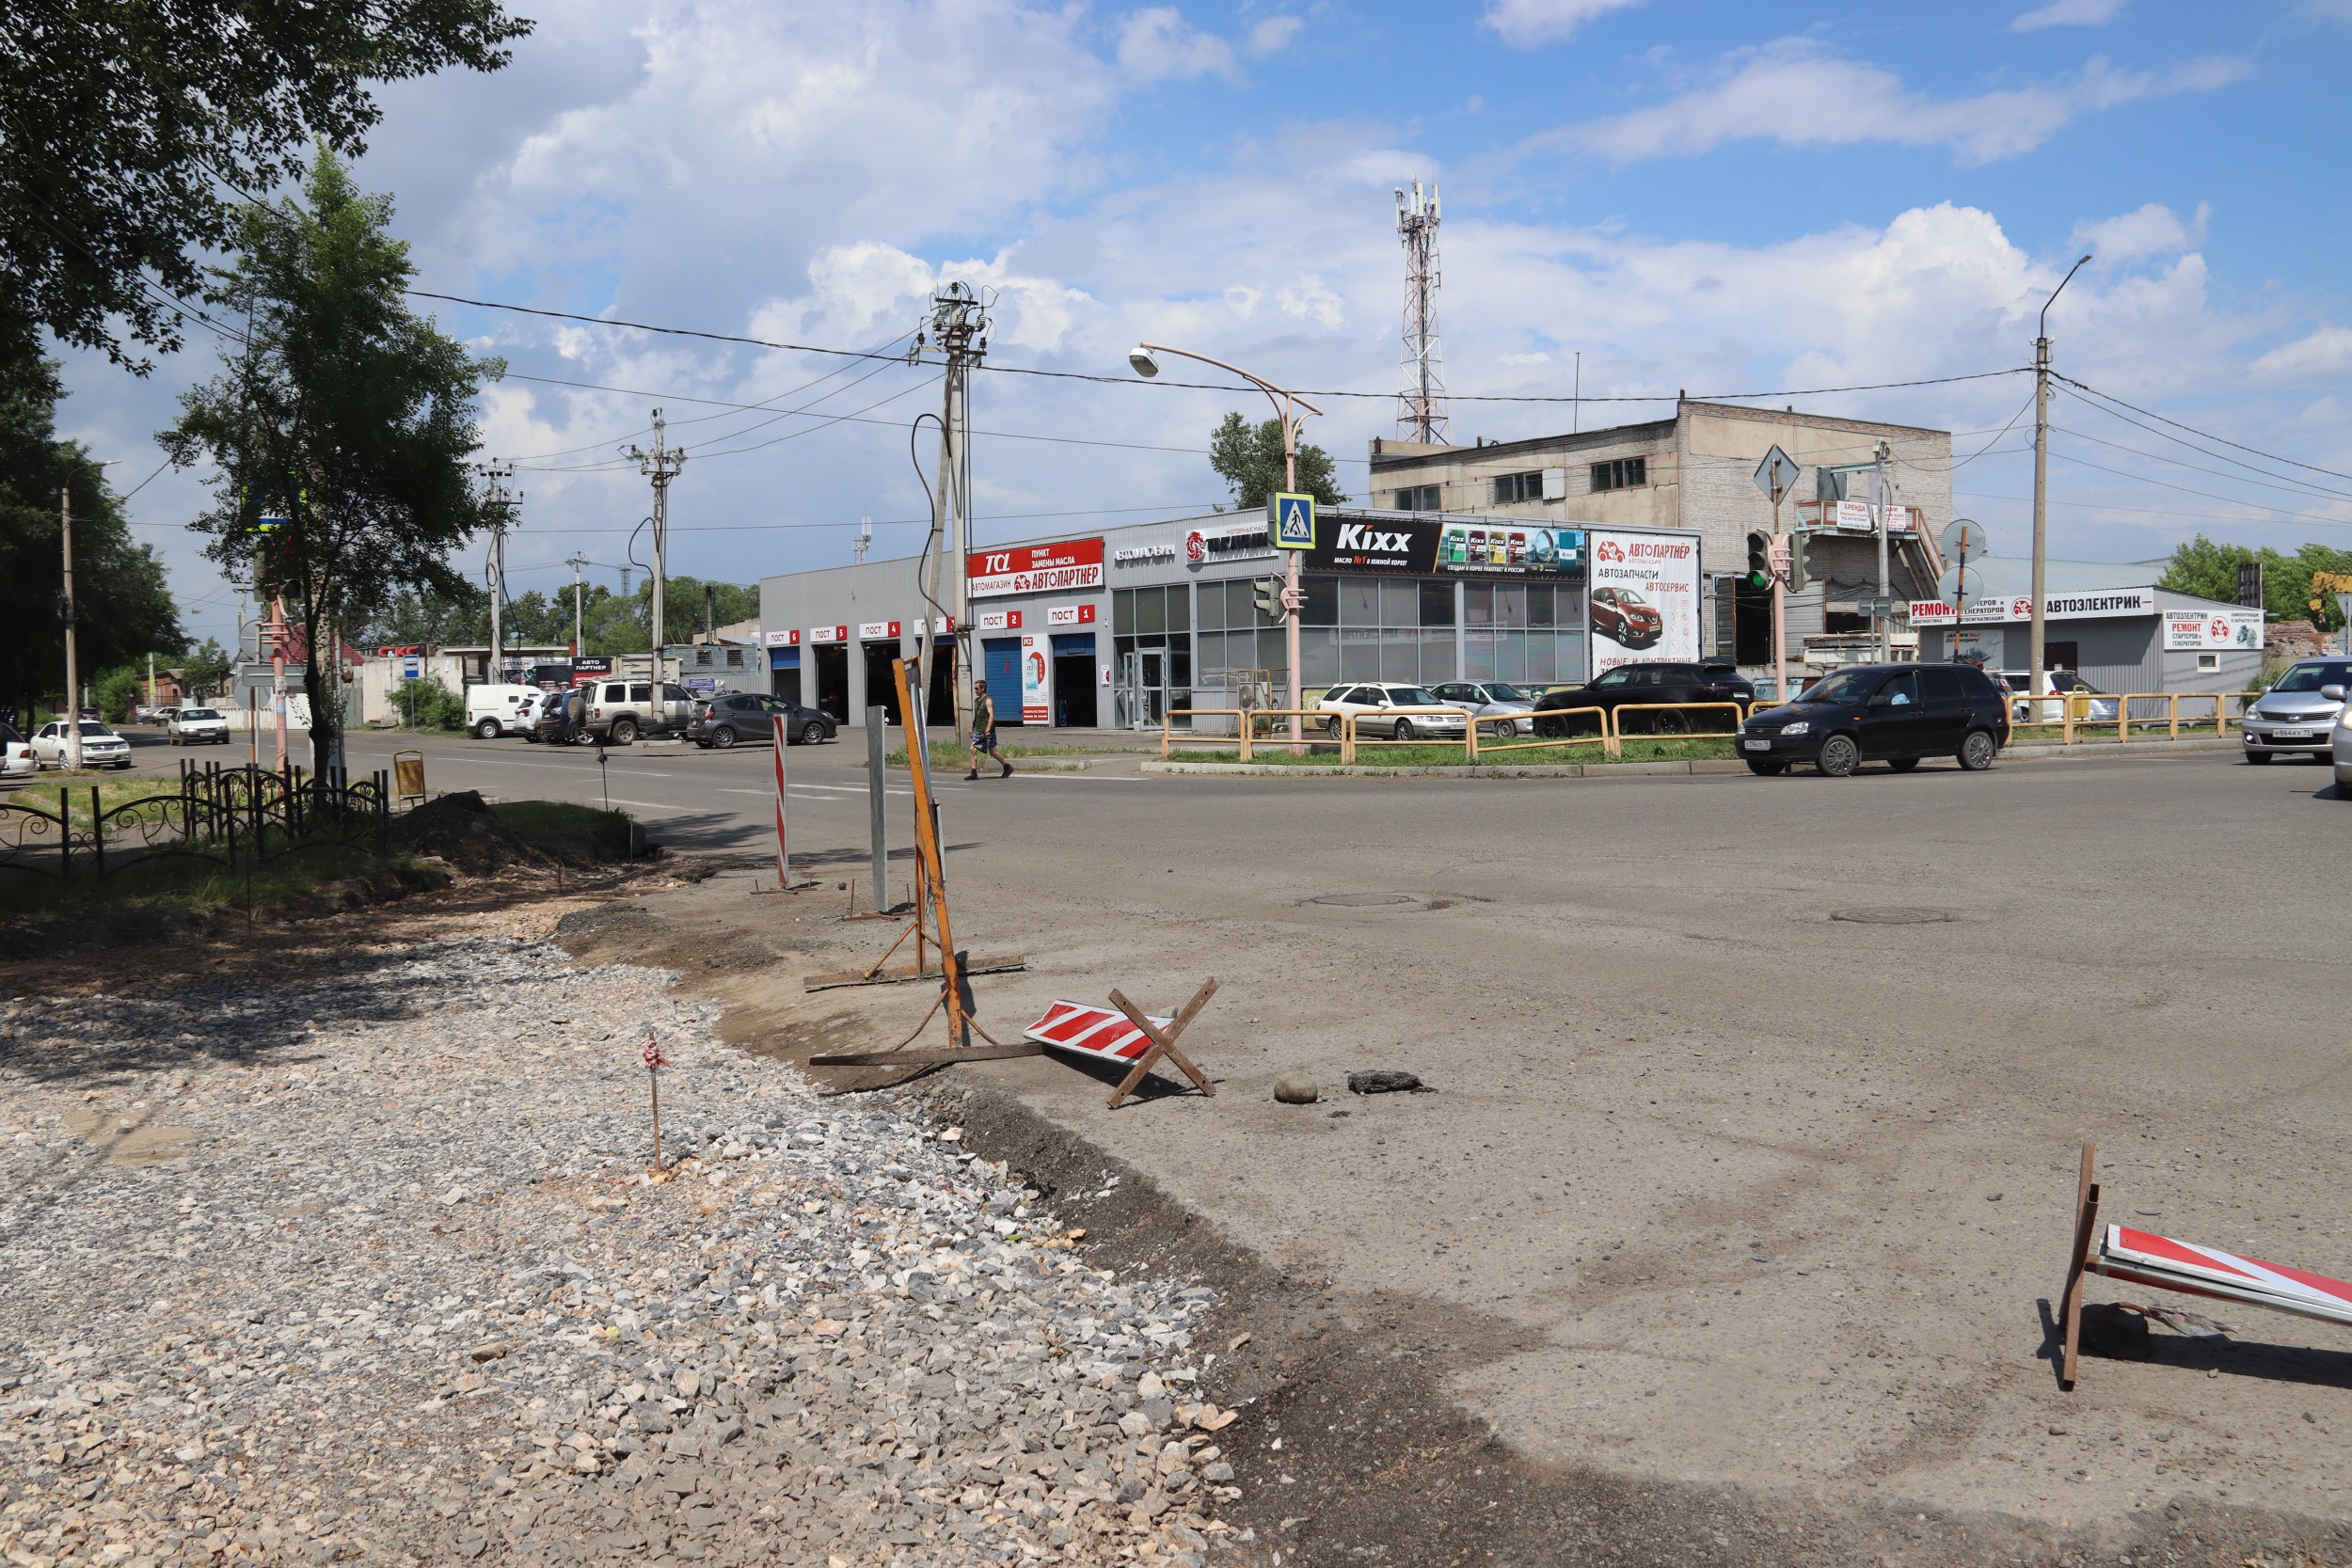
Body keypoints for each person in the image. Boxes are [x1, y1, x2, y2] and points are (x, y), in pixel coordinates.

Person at [966, 679, 1010, 780]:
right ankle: (974, 773)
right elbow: (976, 715)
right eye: (975, 688)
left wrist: (987, 729)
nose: (975, 690)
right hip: (977, 730)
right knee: (972, 749)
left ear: (983, 688)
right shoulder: (977, 701)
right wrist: (971, 727)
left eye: (977, 688)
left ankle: (1007, 767)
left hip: (987, 731)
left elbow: (991, 716)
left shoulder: (988, 700)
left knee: (992, 752)